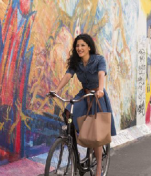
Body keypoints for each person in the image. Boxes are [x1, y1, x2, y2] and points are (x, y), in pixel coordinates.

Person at [51, 33, 116, 176]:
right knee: (69, 111)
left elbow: (101, 74)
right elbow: (68, 75)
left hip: (97, 95)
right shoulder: (76, 62)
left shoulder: (98, 60)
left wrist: (100, 89)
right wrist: (56, 90)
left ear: (88, 47)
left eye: (82, 45)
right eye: (77, 46)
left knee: (97, 134)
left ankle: (98, 168)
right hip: (84, 93)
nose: (79, 48)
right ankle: (73, 142)